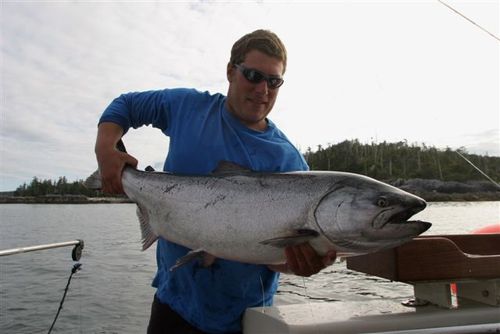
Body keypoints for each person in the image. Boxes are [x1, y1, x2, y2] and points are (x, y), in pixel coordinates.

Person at [94, 29, 337, 334]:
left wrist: (299, 264)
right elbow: (125, 106)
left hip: (244, 317)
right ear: (230, 71)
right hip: (174, 303)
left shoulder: (290, 164)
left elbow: (275, 259)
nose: (263, 89)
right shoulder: (187, 107)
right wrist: (106, 150)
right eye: (253, 75)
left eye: (273, 81)